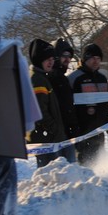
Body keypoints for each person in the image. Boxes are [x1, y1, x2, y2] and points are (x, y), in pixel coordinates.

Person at [0, 32, 42, 215]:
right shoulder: (7, 54)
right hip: (2, 147)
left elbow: (25, 115)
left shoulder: (7, 54)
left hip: (1, 149)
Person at [69, 43, 108, 166]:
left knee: (100, 165)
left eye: (98, 58)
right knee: (83, 168)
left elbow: (107, 106)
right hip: (81, 133)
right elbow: (68, 107)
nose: (95, 61)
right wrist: (73, 130)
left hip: (98, 131)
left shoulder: (102, 78)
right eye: (92, 58)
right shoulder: (74, 78)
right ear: (85, 59)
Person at [26, 39, 70, 167]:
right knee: (50, 174)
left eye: (52, 58)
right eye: (47, 59)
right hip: (45, 139)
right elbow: (40, 112)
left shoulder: (40, 76)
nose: (51, 62)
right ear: (39, 59)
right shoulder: (38, 79)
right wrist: (55, 131)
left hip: (46, 137)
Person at [48, 38, 79, 162]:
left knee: (69, 171)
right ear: (55, 57)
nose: (67, 59)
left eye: (69, 56)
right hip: (56, 135)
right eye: (63, 55)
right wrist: (58, 128)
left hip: (66, 133)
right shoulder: (52, 77)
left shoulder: (63, 78)